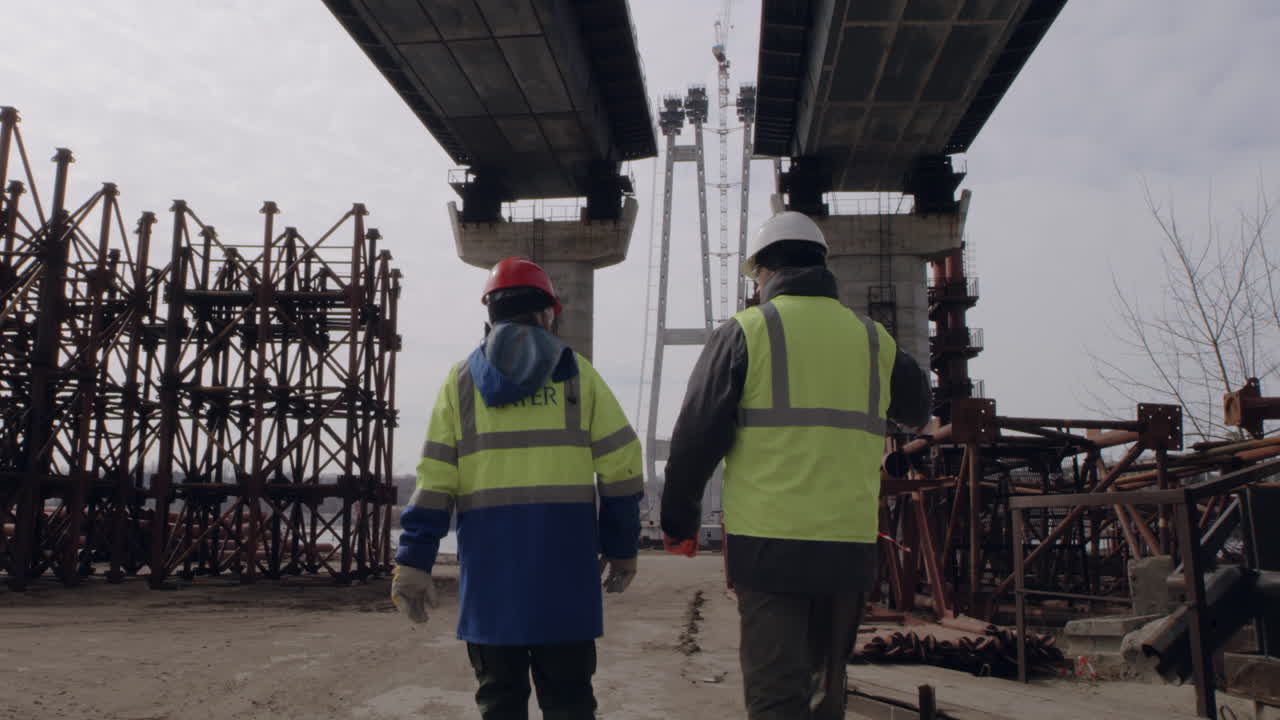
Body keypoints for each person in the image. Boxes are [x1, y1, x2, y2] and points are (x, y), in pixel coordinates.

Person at [660, 211, 931, 720]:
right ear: (822, 267)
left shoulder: (745, 333)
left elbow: (695, 438)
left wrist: (679, 523)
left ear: (763, 272)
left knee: (776, 698)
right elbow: (918, 410)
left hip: (770, 550)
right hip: (848, 551)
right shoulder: (872, 339)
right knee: (827, 697)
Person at [392, 257, 644, 720]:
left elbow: (435, 480)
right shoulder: (577, 376)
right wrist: (622, 545)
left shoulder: (461, 383)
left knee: (499, 702)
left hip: (491, 581)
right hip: (564, 575)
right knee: (569, 702)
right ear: (549, 312)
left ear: (490, 314)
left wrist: (414, 560)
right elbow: (623, 466)